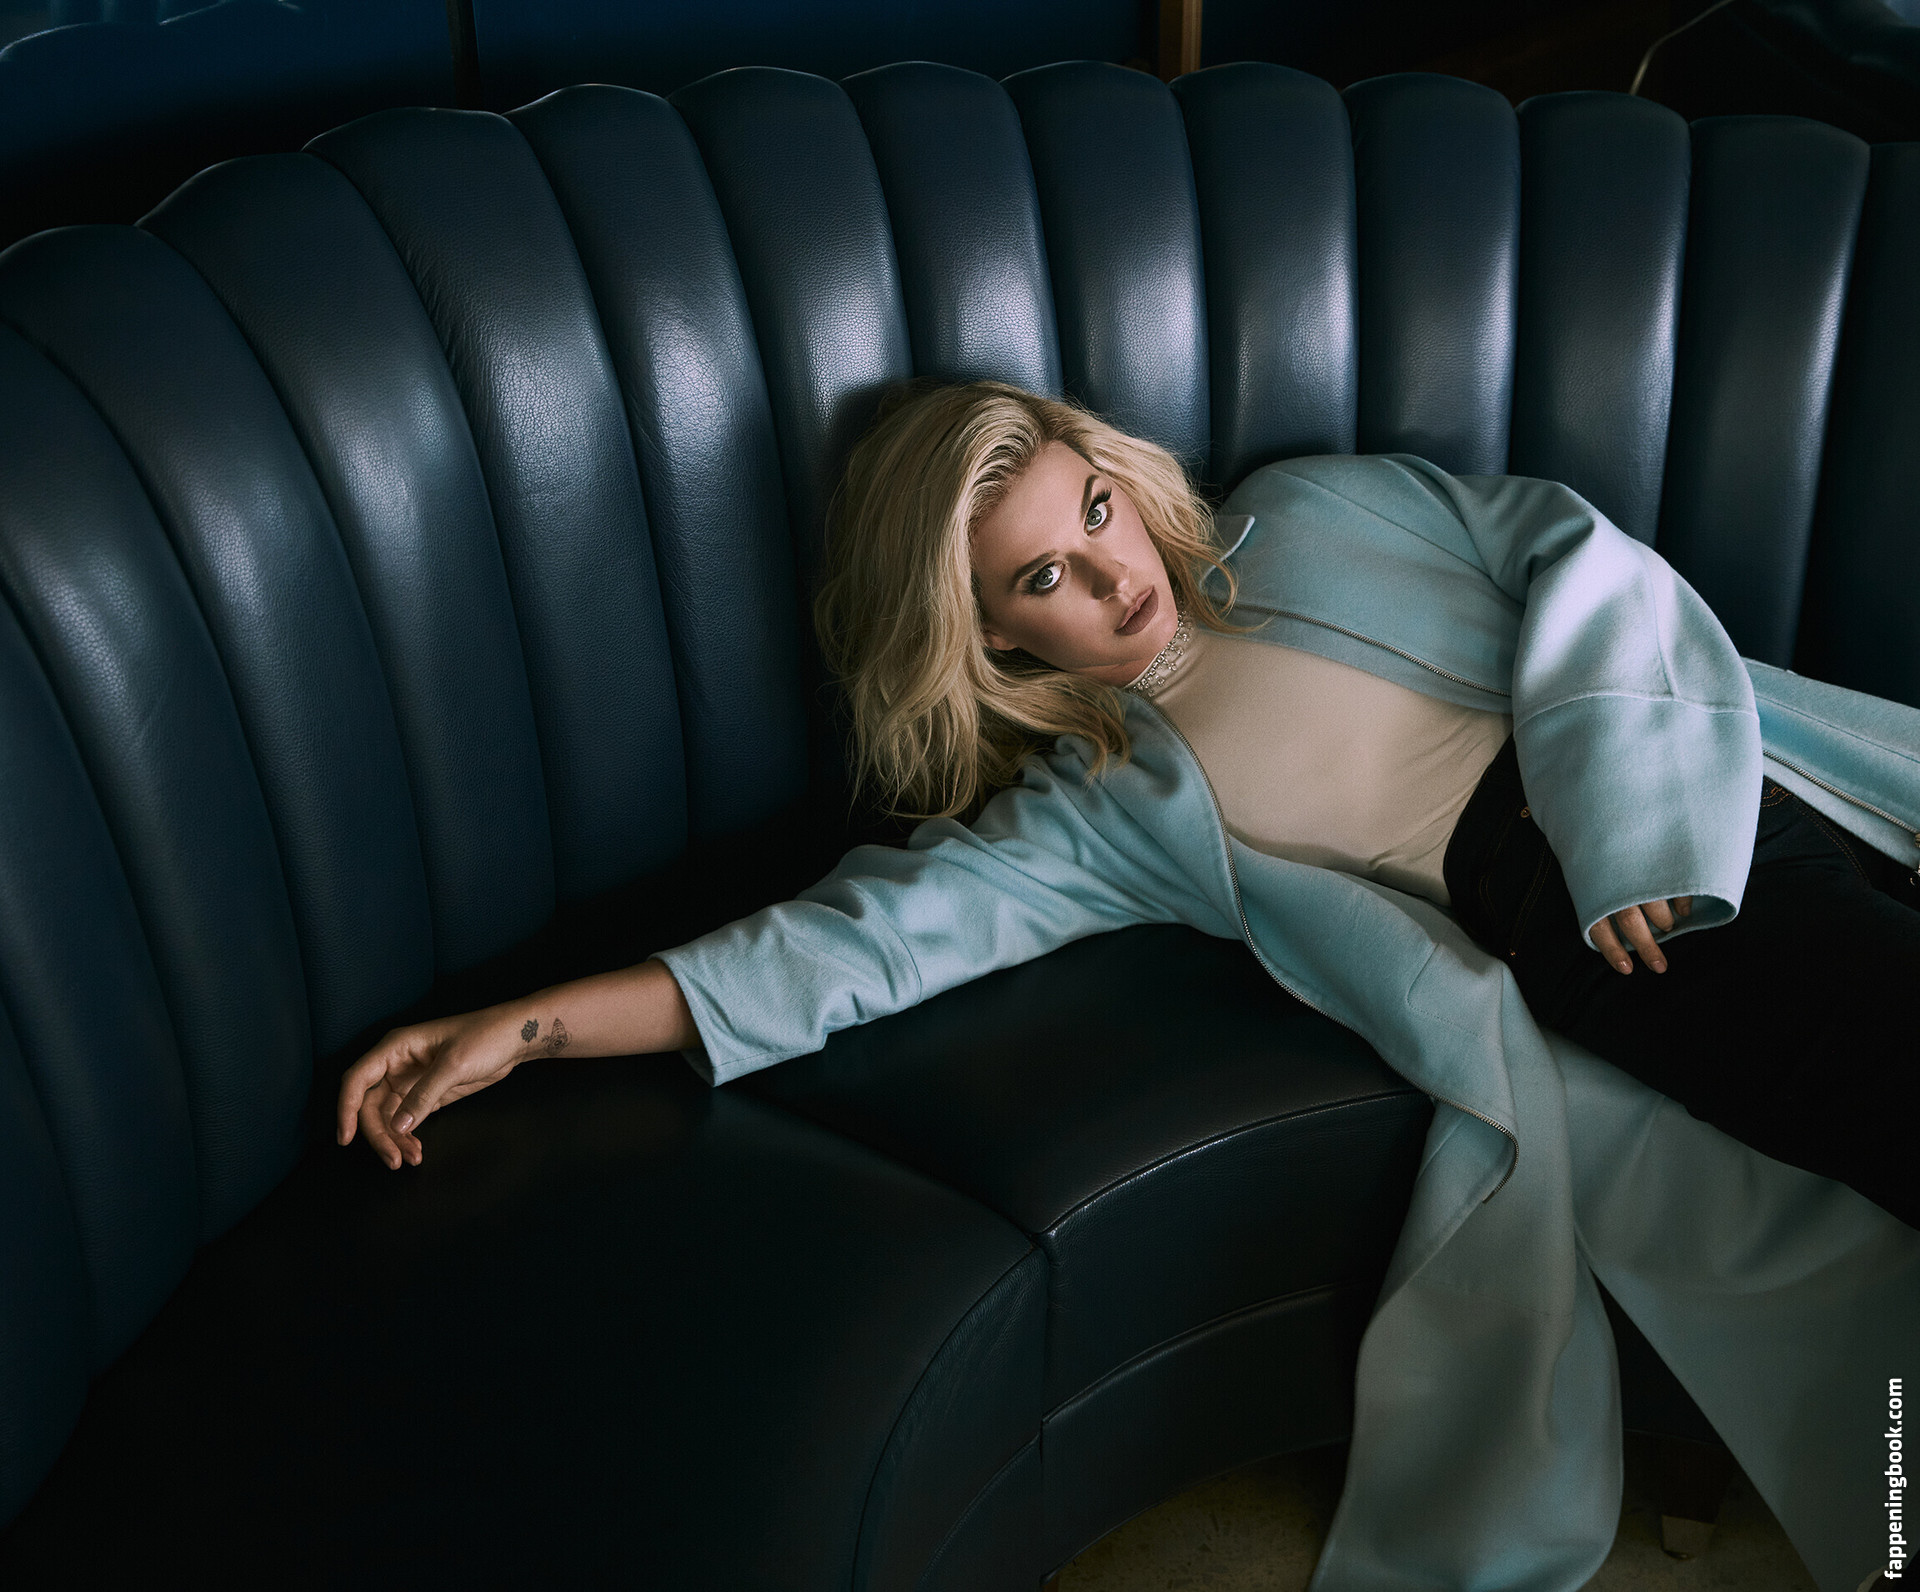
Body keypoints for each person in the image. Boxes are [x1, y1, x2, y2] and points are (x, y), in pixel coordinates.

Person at [336, 380, 1920, 1590]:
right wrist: (526, 1026)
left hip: (1696, 781)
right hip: (1579, 929)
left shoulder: (1310, 512)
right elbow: (853, 947)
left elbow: (1568, 546)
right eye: (1043, 578)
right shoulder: (1110, 805)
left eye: (1094, 512)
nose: (1110, 576)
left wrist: (1628, 814)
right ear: (988, 638)